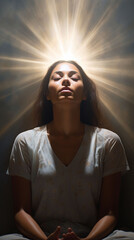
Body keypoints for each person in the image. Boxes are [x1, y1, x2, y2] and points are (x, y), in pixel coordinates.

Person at [1, 60, 133, 240]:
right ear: (47, 93)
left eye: (73, 77)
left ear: (85, 93)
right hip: (39, 236)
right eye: (57, 77)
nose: (65, 81)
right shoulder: (26, 142)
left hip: (93, 236)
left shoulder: (108, 142)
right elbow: (21, 211)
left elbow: (109, 213)